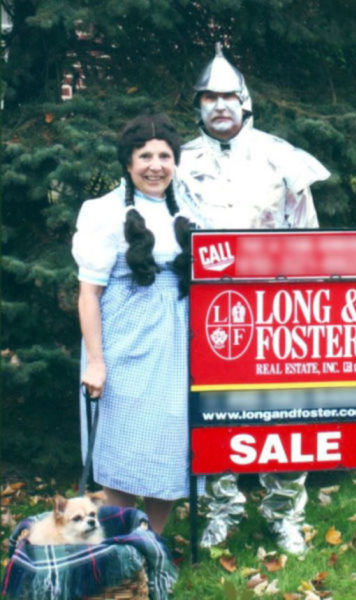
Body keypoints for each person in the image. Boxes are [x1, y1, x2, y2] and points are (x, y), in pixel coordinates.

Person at [179, 44, 330, 554]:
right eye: (209, 97)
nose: (220, 105)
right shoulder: (177, 162)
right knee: (214, 410)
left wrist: (305, 306)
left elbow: (307, 234)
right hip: (211, 311)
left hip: (278, 307)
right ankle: (221, 508)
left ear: (245, 102)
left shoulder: (280, 156)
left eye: (229, 95)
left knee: (285, 412)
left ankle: (283, 512)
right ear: (198, 105)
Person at [72, 114, 205, 535]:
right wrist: (96, 362)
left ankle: (152, 542)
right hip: (124, 345)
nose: (155, 166)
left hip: (178, 346)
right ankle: (119, 541)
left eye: (165, 156)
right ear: (128, 162)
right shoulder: (103, 212)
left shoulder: (191, 208)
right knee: (124, 445)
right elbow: (88, 294)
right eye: (145, 156)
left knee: (170, 443)